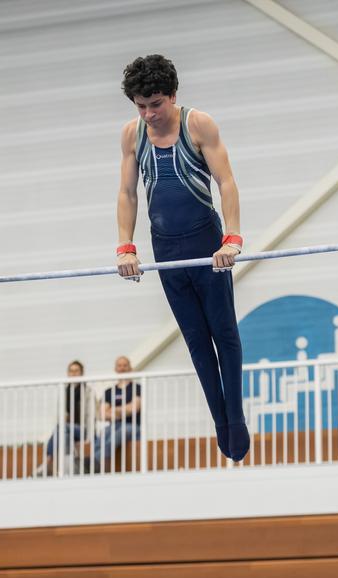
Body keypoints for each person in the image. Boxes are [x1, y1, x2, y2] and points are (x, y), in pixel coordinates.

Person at [116, 54, 249, 461]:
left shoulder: (198, 125)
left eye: (156, 103)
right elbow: (127, 194)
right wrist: (126, 246)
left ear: (173, 96)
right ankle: (219, 418)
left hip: (206, 242)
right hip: (165, 247)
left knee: (222, 332)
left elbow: (226, 181)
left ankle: (236, 413)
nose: (149, 113)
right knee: (195, 339)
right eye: (141, 105)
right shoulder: (131, 134)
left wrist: (232, 239)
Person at [88, 356, 141, 472]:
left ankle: (97, 467)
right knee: (100, 438)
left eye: (125, 365)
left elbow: (134, 409)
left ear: (130, 368)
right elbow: (102, 414)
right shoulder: (109, 391)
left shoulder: (137, 388)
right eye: (119, 365)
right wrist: (124, 410)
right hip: (113, 425)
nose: (122, 368)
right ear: (116, 369)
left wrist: (112, 409)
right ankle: (96, 466)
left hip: (132, 426)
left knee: (113, 438)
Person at [42, 360, 95, 475]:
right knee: (64, 434)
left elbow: (91, 415)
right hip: (66, 429)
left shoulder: (88, 391)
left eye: (76, 371)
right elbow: (59, 415)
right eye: (71, 371)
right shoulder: (64, 391)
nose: (74, 373)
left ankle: (48, 461)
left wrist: (89, 438)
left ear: (81, 373)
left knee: (62, 428)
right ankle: (69, 470)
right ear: (68, 373)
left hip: (82, 429)